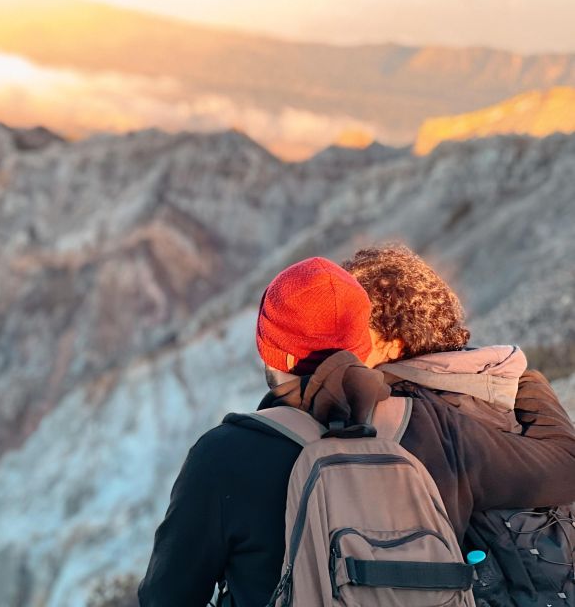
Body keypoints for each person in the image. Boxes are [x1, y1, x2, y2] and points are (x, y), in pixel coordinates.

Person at [138, 256, 575, 607]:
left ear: (269, 350)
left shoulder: (223, 457)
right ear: (361, 344)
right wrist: (526, 382)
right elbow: (564, 469)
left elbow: (166, 596)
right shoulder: (435, 428)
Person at [343, 243, 575, 606]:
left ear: (393, 343)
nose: (345, 345)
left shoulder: (405, 413)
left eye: (355, 331)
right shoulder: (495, 376)